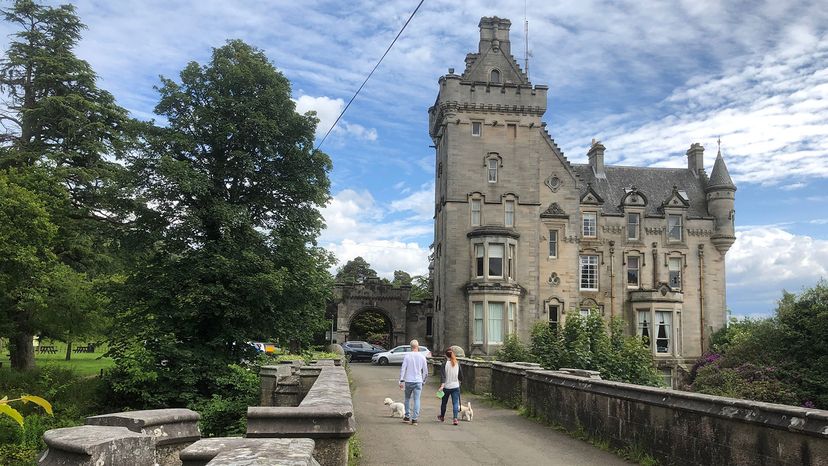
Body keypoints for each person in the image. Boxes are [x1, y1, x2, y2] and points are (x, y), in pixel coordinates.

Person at [399, 339, 428, 425]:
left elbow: (403, 369)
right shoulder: (422, 356)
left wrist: (401, 380)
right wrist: (423, 381)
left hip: (408, 380)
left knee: (407, 398)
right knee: (417, 399)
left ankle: (407, 416)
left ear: (410, 347)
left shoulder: (407, 356)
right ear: (418, 346)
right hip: (418, 380)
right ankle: (414, 418)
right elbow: (425, 371)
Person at [438, 348, 463, 425]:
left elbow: (443, 376)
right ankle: (455, 418)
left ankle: (442, 416)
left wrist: (442, 385)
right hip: (455, 386)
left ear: (446, 355)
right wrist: (460, 382)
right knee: (455, 403)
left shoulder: (444, 364)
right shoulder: (457, 363)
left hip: (446, 387)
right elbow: (461, 376)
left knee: (444, 403)